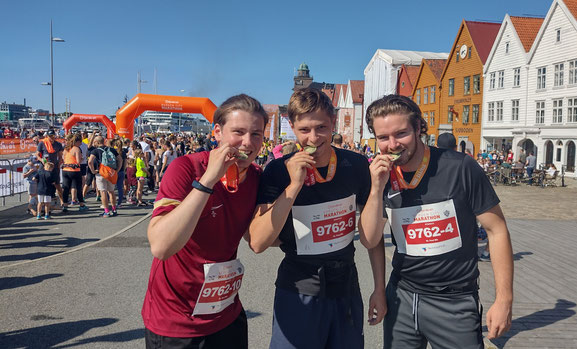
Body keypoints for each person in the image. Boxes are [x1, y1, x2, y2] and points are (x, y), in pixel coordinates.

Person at [359, 95, 514, 349]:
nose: (393, 144)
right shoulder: (379, 174)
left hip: (454, 301)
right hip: (402, 296)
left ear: (419, 127)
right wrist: (376, 188)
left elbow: (496, 230)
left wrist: (504, 299)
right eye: (383, 138)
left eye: (401, 133)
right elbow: (369, 239)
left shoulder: (460, 167)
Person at [248, 88, 384, 349]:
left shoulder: (356, 165)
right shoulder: (277, 171)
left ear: (333, 122)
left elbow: (373, 236)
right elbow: (257, 242)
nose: (313, 138)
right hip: (298, 290)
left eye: (321, 127)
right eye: (304, 130)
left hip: (346, 289)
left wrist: (379, 288)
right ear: (291, 126)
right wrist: (294, 185)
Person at [142, 94, 268, 349]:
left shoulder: (256, 176)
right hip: (176, 322)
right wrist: (208, 181)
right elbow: (161, 247)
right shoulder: (186, 168)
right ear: (218, 132)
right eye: (238, 132)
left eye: (256, 134)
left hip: (226, 313)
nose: (247, 143)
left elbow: (258, 241)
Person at [88, 136, 121, 217]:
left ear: (96, 142)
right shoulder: (112, 149)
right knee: (111, 191)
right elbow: (120, 159)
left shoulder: (95, 151)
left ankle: (106, 211)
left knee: (103, 192)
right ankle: (114, 209)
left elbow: (90, 162)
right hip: (111, 173)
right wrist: (117, 170)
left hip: (101, 173)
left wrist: (93, 171)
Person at [36, 129, 64, 205]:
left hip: (54, 167)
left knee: (57, 184)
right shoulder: (42, 143)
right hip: (44, 167)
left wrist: (60, 163)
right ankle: (41, 204)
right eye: (50, 136)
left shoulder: (58, 144)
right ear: (47, 136)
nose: (51, 138)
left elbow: (60, 156)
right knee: (43, 184)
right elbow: (37, 154)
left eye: (53, 136)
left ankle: (62, 201)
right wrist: (42, 160)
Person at [61, 134, 87, 212]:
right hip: (75, 170)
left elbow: (63, 159)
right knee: (78, 187)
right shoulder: (76, 149)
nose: (81, 144)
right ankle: (81, 204)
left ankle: (65, 205)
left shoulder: (66, 149)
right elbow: (78, 161)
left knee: (65, 188)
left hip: (65, 169)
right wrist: (82, 158)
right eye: (80, 142)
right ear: (77, 142)